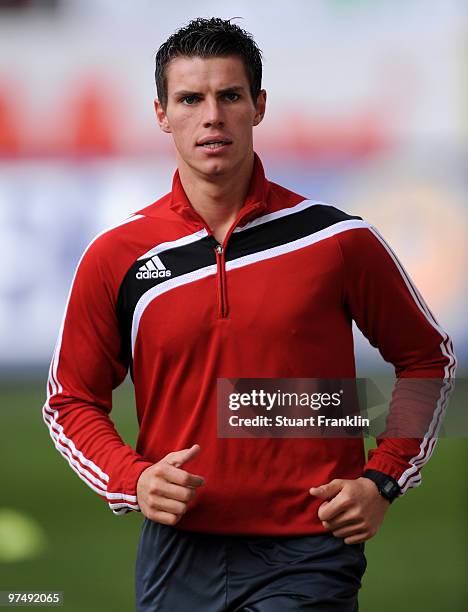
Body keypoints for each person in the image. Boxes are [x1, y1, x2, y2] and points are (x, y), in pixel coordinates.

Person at [43, 17, 456, 612]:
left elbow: (426, 358)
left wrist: (383, 479)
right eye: (190, 98)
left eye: (229, 96)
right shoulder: (118, 256)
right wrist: (132, 478)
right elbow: (70, 400)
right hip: (176, 552)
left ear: (258, 106)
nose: (211, 116)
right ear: (162, 113)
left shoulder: (335, 239)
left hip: (310, 551)